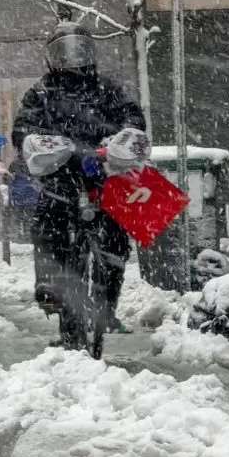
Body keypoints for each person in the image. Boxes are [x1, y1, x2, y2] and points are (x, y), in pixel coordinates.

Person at [12, 22, 147, 347]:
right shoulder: (41, 93)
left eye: (79, 49)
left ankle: (108, 299)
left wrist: (124, 139)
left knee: (116, 234)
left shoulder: (108, 88)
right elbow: (23, 127)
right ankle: (50, 293)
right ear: (51, 57)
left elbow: (133, 117)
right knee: (48, 226)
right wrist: (34, 141)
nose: (72, 58)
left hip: (103, 173)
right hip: (59, 175)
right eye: (64, 51)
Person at [0, 132, 38, 241]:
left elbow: (9, 179)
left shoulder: (14, 164)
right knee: (28, 221)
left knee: (18, 221)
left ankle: (19, 238)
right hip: (30, 198)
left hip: (18, 198)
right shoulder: (33, 163)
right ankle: (26, 238)